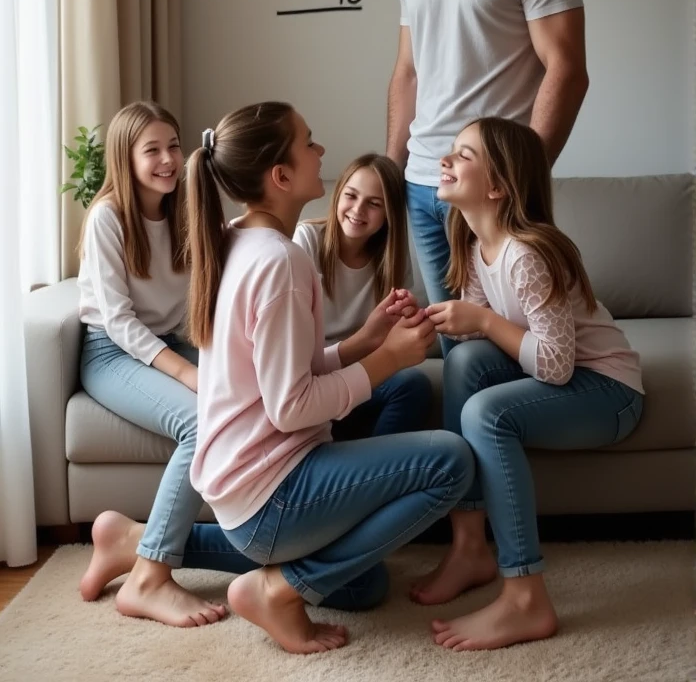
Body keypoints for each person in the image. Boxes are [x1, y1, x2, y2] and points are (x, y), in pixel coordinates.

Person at [85, 102, 475, 655]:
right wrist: (387, 362)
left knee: (364, 585)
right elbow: (290, 407)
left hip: (244, 490)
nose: (321, 151)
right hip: (272, 491)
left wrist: (362, 344)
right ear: (282, 176)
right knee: (451, 460)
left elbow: (278, 370)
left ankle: (136, 542)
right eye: (309, 142)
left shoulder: (238, 238)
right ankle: (281, 587)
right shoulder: (280, 262)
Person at [358, 0, 589, 354]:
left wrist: (518, 184)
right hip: (418, 187)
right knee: (460, 355)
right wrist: (390, 173)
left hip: (489, 193)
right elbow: (408, 72)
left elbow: (567, 68)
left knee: (507, 350)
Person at [410, 116, 643, 651]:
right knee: (463, 365)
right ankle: (470, 546)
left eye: (463, 155)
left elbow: (558, 364)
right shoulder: (473, 247)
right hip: (569, 379)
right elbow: (484, 346)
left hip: (609, 392)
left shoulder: (528, 252)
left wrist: (484, 321)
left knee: (485, 414)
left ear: (497, 186)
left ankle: (525, 596)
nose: (445, 160)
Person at [78, 101, 226, 628]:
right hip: (110, 352)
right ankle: (151, 577)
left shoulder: (186, 207)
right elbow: (118, 322)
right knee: (199, 419)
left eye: (174, 146)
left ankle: (125, 539)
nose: (168, 159)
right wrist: (188, 373)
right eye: (153, 150)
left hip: (166, 341)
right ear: (126, 157)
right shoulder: (107, 218)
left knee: (238, 401)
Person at [293, 152, 432, 438]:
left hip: (358, 369)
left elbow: (388, 340)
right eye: (351, 196)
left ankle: (377, 468)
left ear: (388, 213)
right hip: (314, 372)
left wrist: (406, 319)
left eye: (374, 204)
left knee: (413, 386)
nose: (357, 210)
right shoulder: (307, 239)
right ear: (338, 195)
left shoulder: (391, 258)